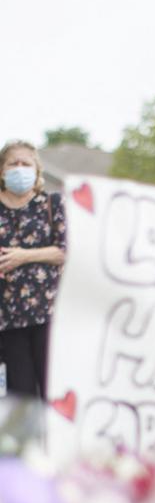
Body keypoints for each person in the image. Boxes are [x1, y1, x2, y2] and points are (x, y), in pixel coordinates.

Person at [0, 140, 67, 400]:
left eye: (25, 163)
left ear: (36, 171)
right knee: (21, 398)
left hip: (48, 316)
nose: (19, 168)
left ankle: (55, 442)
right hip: (8, 320)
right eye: (12, 163)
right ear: (2, 171)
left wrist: (23, 256)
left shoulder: (51, 205)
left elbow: (65, 250)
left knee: (53, 393)